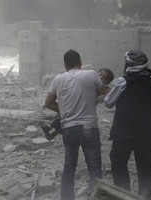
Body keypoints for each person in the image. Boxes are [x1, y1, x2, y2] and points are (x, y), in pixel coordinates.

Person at [44, 49, 108, 200]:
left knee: (69, 167)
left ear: (65, 64)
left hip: (68, 129)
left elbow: (48, 103)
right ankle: (93, 194)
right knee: (94, 167)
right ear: (80, 62)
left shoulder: (57, 79)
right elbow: (102, 93)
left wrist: (66, 109)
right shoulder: (92, 74)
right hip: (89, 127)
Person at [104, 50, 151, 200]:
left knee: (118, 161)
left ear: (128, 64)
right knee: (146, 172)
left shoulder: (123, 81)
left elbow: (108, 102)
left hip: (125, 132)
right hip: (149, 134)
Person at [41, 68, 114, 141]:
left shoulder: (103, 89)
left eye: (104, 78)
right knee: (64, 117)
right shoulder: (88, 80)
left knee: (65, 117)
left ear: (107, 82)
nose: (100, 77)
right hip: (75, 106)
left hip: (85, 111)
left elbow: (103, 98)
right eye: (100, 74)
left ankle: (51, 128)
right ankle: (51, 129)